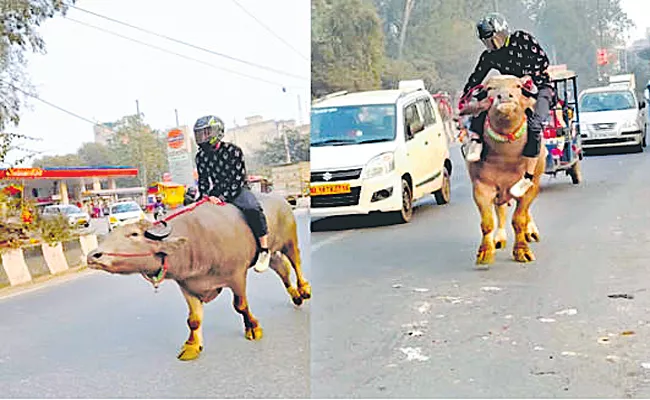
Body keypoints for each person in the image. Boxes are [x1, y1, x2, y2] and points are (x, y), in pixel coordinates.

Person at [462, 12, 554, 198]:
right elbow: (476, 77)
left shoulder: (523, 39)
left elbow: (543, 61)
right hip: (509, 90)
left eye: (493, 39)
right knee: (484, 102)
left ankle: (528, 176)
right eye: (487, 41)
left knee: (535, 125)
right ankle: (476, 140)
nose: (492, 45)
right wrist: (466, 96)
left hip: (536, 87)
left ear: (503, 31)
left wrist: (525, 78)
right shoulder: (489, 56)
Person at [193, 115, 271, 273]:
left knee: (252, 208)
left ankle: (264, 249)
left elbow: (236, 179)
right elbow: (203, 180)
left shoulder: (233, 151)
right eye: (200, 134)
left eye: (207, 133)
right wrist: (204, 197)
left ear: (218, 132)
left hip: (237, 188)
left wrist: (221, 199)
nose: (203, 138)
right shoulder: (200, 156)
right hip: (216, 191)